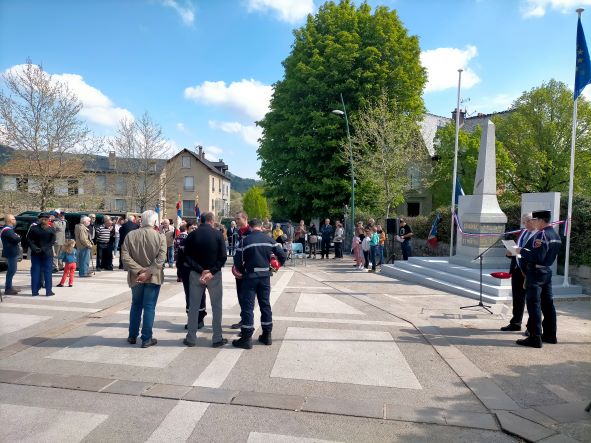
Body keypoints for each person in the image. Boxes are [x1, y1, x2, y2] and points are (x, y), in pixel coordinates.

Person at [232, 218, 286, 349]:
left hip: (249, 277)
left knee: (248, 307)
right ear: (261, 227)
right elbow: (282, 255)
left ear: (250, 227)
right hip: (265, 277)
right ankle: (267, 335)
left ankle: (246, 338)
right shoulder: (269, 239)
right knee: (265, 304)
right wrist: (277, 266)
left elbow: (237, 260)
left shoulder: (244, 241)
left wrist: (241, 271)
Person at [515, 210, 561, 348]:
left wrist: (521, 251)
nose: (533, 223)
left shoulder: (542, 235)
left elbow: (537, 256)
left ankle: (535, 337)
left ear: (541, 220)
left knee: (534, 304)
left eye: (535, 220)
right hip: (546, 271)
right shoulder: (555, 235)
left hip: (536, 272)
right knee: (548, 305)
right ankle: (550, 335)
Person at [121, 210, 166, 348]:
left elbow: (125, 256)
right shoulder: (160, 237)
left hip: (136, 277)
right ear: (155, 222)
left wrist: (139, 270)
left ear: (142, 221)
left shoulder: (131, 235)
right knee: (149, 307)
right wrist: (148, 272)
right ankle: (146, 338)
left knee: (136, 305)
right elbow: (161, 259)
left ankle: (132, 335)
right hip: (152, 277)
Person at [182, 212, 227, 348]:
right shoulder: (218, 235)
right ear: (211, 221)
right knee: (217, 306)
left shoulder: (192, 235)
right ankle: (217, 338)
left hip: (196, 274)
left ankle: (191, 338)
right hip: (214, 275)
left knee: (194, 306)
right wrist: (211, 271)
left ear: (201, 221)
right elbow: (223, 257)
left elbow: (187, 256)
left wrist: (200, 269)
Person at [501, 213, 536, 332]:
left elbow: (533, 253)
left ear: (533, 221)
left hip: (528, 270)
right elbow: (517, 247)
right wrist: (509, 252)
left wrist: (520, 252)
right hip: (516, 268)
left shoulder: (537, 234)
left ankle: (531, 327)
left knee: (531, 300)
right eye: (523, 222)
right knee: (517, 298)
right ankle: (516, 322)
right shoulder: (523, 232)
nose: (524, 224)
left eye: (526, 222)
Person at [27, 212, 56, 296]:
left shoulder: (33, 228)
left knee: (35, 271)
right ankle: (48, 291)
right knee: (47, 272)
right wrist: (44, 248)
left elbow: (29, 240)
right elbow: (52, 242)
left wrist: (35, 248)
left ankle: (34, 291)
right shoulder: (51, 229)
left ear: (39, 219)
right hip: (47, 253)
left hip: (36, 253)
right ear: (48, 220)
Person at [231, 211, 251, 330]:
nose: (236, 221)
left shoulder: (251, 232)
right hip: (239, 270)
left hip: (248, 271)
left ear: (245, 218)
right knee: (240, 296)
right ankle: (243, 319)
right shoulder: (238, 232)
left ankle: (247, 324)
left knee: (247, 298)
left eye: (238, 219)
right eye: (236, 219)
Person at [1, 214, 22, 295]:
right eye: (13, 219)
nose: (15, 220)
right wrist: (19, 237)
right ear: (9, 221)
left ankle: (9, 287)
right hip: (11, 253)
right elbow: (16, 239)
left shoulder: (9, 229)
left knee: (11, 271)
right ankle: (8, 289)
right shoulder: (7, 230)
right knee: (11, 271)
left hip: (11, 252)